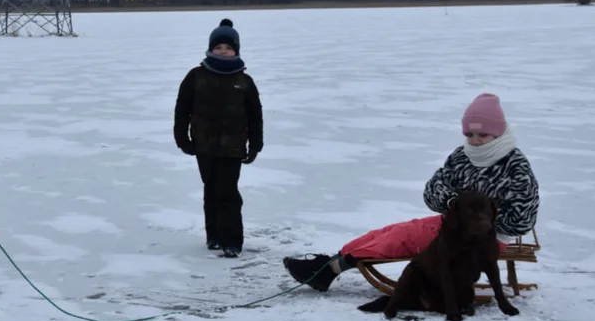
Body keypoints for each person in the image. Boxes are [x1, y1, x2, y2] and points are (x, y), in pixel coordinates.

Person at [283, 93, 539, 292]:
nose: (475, 141)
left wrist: (477, 223)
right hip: (452, 224)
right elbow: (433, 189)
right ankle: (332, 263)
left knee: (401, 240)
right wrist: (451, 202)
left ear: (497, 133)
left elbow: (523, 217)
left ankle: (333, 269)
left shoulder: (514, 165)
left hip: (486, 239)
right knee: (392, 231)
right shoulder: (462, 157)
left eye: (482, 134)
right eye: (470, 134)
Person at [173, 18, 264, 258]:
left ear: (236, 51)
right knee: (210, 190)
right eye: (219, 47)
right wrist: (182, 138)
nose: (223, 51)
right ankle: (213, 236)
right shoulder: (196, 76)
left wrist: (256, 144)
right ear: (211, 48)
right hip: (203, 145)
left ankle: (231, 240)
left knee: (228, 192)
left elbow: (255, 115)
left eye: (228, 48)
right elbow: (182, 109)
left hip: (232, 148)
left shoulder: (244, 81)